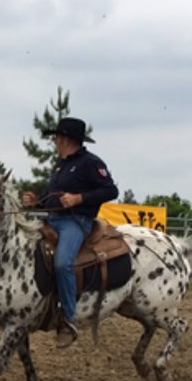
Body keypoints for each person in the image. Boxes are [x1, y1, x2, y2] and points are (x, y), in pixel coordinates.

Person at [21, 117, 118, 348]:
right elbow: (52, 197)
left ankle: (68, 318)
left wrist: (79, 198)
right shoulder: (60, 165)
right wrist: (37, 201)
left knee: (63, 262)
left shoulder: (90, 163)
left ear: (65, 139)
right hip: (52, 220)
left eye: (56, 137)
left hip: (75, 222)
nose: (54, 141)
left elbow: (111, 191)